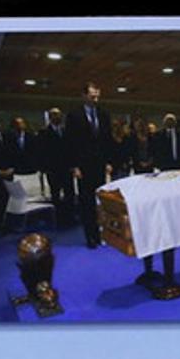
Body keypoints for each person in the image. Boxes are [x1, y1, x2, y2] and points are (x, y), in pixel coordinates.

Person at [65, 81, 114, 248]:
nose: (96, 99)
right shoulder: (74, 115)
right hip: (83, 167)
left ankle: (102, 234)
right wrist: (74, 166)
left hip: (100, 165)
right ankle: (90, 237)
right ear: (84, 96)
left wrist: (109, 161)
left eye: (98, 96)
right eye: (93, 96)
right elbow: (70, 143)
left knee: (100, 202)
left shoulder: (104, 114)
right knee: (87, 203)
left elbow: (107, 141)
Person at [36, 107, 74, 217]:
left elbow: (71, 149)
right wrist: (44, 168)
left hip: (67, 168)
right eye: (55, 115)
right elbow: (41, 151)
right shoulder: (44, 132)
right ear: (50, 117)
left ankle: (69, 216)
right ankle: (58, 217)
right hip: (52, 169)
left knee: (69, 194)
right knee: (55, 194)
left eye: (59, 115)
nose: (58, 117)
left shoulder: (66, 131)